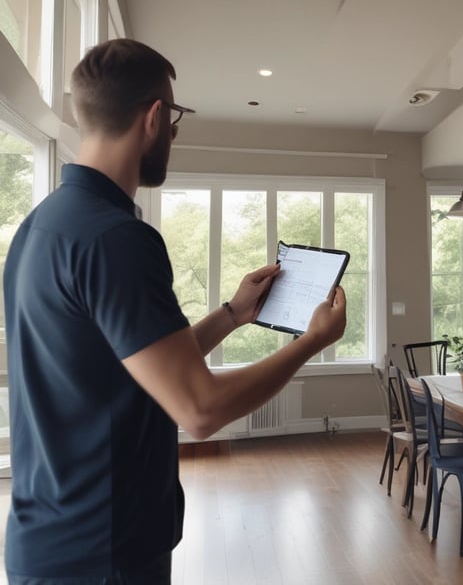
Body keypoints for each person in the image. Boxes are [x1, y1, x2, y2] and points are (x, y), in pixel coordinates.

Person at [2, 38, 346, 583]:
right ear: (155, 117)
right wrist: (312, 342)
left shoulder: (41, 227)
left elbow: (136, 361)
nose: (175, 132)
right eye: (177, 115)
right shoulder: (119, 239)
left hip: (49, 541)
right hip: (105, 552)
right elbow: (200, 409)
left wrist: (233, 313)